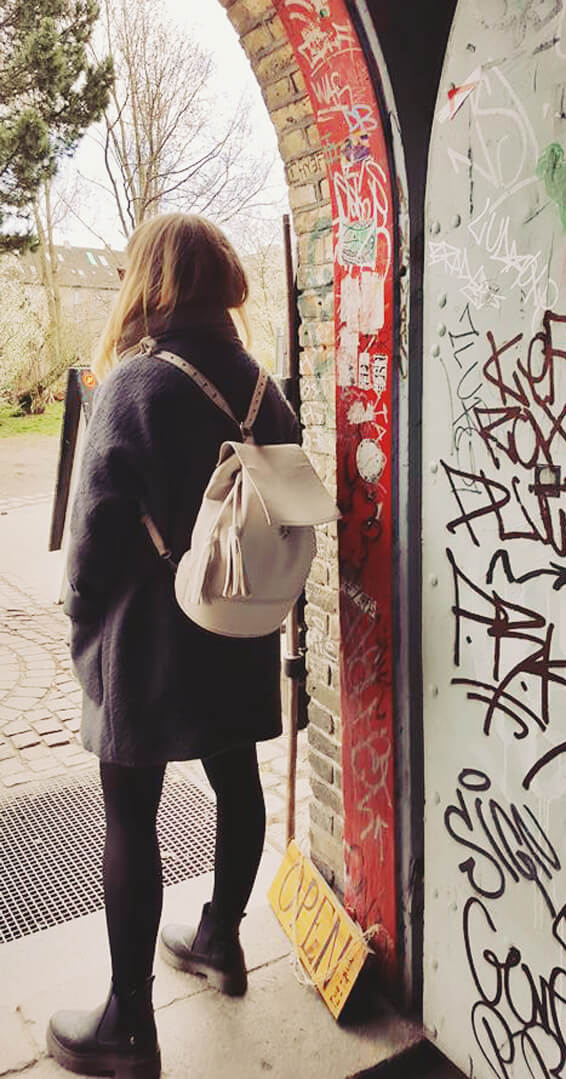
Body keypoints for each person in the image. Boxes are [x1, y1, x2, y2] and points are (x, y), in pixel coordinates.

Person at [46, 213, 299, 1079]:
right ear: (222, 279)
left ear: (152, 280)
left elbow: (90, 547)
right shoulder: (265, 388)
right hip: (239, 625)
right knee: (238, 778)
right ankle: (222, 937)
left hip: (149, 642)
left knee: (130, 813)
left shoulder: (133, 386)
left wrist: (86, 632)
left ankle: (126, 1025)